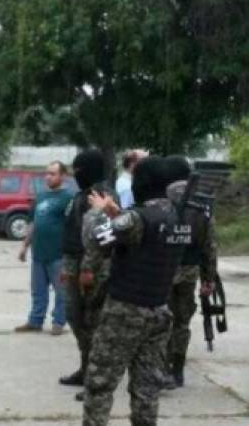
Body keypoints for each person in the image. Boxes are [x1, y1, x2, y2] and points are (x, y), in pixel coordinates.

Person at [82, 156, 187, 426]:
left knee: (100, 384)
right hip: (159, 310)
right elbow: (143, 237)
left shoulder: (139, 218)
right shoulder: (180, 217)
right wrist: (118, 215)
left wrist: (97, 211)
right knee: (146, 389)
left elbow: (96, 238)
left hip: (124, 312)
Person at [59, 150, 118, 388]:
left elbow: (100, 240)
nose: (75, 174)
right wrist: (68, 267)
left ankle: (96, 377)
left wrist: (87, 270)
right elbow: (74, 233)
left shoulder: (101, 195)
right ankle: (86, 369)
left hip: (92, 269)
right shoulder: (83, 194)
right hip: (75, 265)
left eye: (79, 170)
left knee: (93, 322)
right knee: (76, 317)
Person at [162, 156, 217, 389]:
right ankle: (178, 370)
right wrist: (208, 279)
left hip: (163, 271)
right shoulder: (202, 207)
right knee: (182, 322)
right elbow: (209, 247)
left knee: (162, 320)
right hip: (189, 270)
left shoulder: (162, 200)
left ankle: (161, 367)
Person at [15, 161, 73, 335]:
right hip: (39, 253)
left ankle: (58, 322)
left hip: (58, 254)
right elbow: (33, 223)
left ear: (63, 176)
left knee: (61, 291)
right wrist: (25, 246)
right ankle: (35, 320)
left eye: (53, 173)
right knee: (38, 290)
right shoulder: (40, 197)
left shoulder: (68, 198)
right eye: (47, 173)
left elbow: (72, 226)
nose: (48, 176)